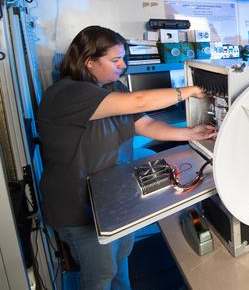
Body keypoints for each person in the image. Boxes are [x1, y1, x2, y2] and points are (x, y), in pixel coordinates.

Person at [37, 26, 217, 290]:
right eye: (115, 60)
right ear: (89, 61)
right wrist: (190, 90)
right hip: (78, 209)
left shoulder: (111, 87)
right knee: (100, 273)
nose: (122, 65)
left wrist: (190, 133)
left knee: (121, 259)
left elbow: (145, 124)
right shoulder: (66, 94)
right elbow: (139, 101)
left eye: (123, 58)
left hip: (113, 199)